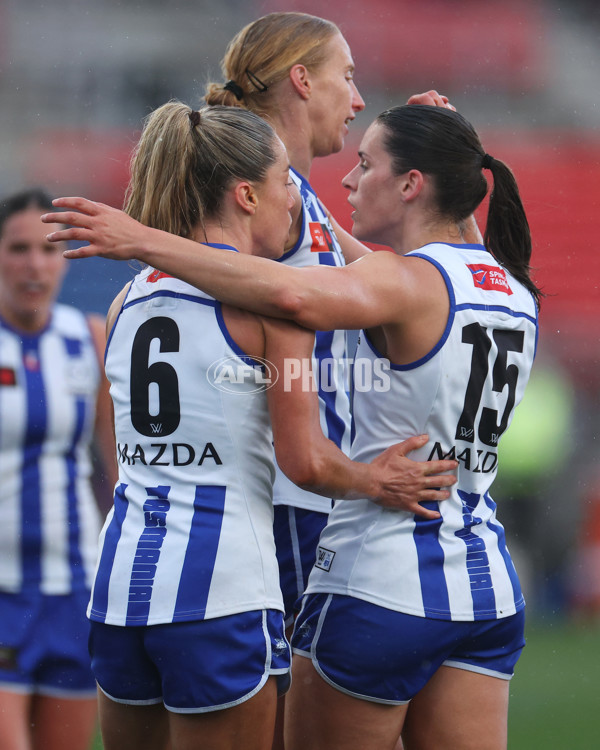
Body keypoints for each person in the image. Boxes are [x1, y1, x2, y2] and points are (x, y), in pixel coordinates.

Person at [43, 102, 541, 750]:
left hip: (133, 578)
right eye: (290, 184)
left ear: (414, 182)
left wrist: (140, 240)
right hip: (470, 576)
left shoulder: (125, 299)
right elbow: (303, 450)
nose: (326, 190)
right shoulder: (505, 287)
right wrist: (451, 148)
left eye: (366, 165)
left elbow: (301, 288)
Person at [202, 13, 458, 661]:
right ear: (301, 81)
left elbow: (387, 278)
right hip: (289, 496)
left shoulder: (296, 192)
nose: (359, 97)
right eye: (347, 76)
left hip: (312, 492)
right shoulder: (266, 190)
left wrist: (428, 159)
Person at [0, 188, 116, 750]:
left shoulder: (89, 338)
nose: (34, 265)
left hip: (74, 588)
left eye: (48, 250)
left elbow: (119, 471)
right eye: (18, 248)